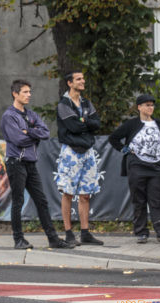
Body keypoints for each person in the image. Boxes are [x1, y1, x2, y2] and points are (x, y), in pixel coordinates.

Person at [1, 79, 74, 250]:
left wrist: (30, 131)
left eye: (29, 92)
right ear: (15, 94)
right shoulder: (9, 116)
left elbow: (46, 133)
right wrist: (32, 134)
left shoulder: (31, 114)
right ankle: (18, 239)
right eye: (25, 92)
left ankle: (53, 239)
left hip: (30, 164)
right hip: (16, 163)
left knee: (42, 201)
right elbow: (18, 139)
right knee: (18, 201)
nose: (29, 95)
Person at [109, 94, 160, 244]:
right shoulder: (132, 124)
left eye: (152, 105)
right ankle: (141, 232)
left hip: (156, 168)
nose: (150, 107)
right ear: (139, 107)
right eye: (147, 105)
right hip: (137, 166)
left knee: (156, 200)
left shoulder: (158, 124)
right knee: (139, 200)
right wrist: (125, 150)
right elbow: (114, 138)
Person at [56, 71, 104, 246]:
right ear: (70, 83)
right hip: (71, 152)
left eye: (83, 78)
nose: (83, 81)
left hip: (88, 151)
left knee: (85, 195)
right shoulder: (63, 104)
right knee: (68, 193)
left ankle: (85, 233)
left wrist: (83, 121)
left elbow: (97, 124)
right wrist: (85, 123)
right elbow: (73, 127)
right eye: (79, 79)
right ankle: (68, 233)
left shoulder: (86, 102)